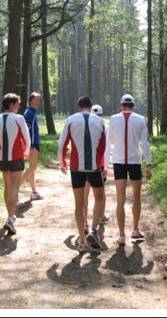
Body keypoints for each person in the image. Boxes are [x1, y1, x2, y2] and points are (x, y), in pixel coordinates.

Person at [58, 96, 107, 253]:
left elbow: (62, 144)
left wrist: (62, 162)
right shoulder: (100, 122)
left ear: (78, 106)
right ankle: (93, 230)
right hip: (94, 168)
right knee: (99, 197)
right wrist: (100, 165)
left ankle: (82, 241)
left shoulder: (71, 120)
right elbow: (103, 146)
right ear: (91, 106)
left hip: (76, 168)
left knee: (79, 203)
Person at [109, 94, 152, 247]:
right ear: (133, 106)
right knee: (136, 195)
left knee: (120, 198)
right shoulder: (140, 119)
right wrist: (149, 164)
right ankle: (135, 229)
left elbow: (111, 140)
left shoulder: (113, 119)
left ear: (121, 105)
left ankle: (121, 236)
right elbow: (145, 143)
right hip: (134, 161)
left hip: (119, 161)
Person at [0, 93, 31, 235]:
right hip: (16, 158)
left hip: (3, 160)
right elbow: (26, 138)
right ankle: (10, 219)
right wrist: (27, 152)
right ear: (11, 104)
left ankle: (9, 216)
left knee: (8, 187)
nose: (19, 106)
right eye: (17, 103)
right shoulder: (18, 118)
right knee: (15, 189)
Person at [82, 104, 110, 234]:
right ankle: (100, 217)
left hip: (83, 166)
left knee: (84, 196)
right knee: (100, 194)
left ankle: (84, 222)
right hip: (99, 165)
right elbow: (107, 148)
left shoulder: (83, 126)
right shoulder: (105, 127)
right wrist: (106, 166)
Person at [21, 92, 44, 201]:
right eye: (35, 100)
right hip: (32, 144)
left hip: (32, 144)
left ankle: (33, 192)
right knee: (33, 167)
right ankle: (16, 187)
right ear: (30, 101)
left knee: (31, 168)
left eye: (38, 100)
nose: (37, 102)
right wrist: (32, 146)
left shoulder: (32, 112)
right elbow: (30, 132)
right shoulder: (29, 113)